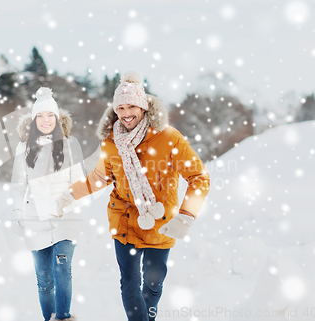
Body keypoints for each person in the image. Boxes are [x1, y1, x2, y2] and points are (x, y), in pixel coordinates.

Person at [56, 71, 210, 321]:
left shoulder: (169, 138)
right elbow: (100, 178)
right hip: (124, 220)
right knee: (129, 283)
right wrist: (69, 196)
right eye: (121, 107)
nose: (126, 113)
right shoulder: (111, 141)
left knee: (153, 284)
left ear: (143, 107)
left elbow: (199, 177)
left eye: (131, 106)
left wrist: (186, 216)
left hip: (160, 223)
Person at [9, 87, 84, 321]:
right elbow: (18, 185)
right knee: (44, 280)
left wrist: (66, 201)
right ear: (33, 121)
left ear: (57, 119)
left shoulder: (70, 145)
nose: (45, 120)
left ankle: (63, 317)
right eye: (40, 116)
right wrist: (16, 212)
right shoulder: (24, 148)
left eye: (50, 115)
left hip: (64, 219)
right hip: (35, 219)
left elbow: (80, 184)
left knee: (62, 269)